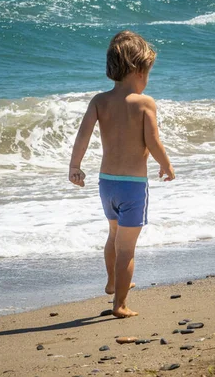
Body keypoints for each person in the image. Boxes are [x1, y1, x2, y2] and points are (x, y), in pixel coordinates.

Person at [68, 30, 175, 318]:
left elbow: (83, 136)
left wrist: (74, 167)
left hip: (107, 185)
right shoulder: (144, 103)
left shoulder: (99, 101)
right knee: (127, 249)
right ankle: (120, 304)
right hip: (133, 187)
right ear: (139, 70)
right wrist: (165, 165)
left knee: (113, 235)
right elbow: (153, 141)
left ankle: (113, 282)